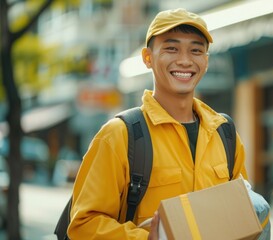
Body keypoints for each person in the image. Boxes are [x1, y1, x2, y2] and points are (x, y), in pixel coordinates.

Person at [68, 8, 254, 239]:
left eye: (196, 50)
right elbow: (83, 225)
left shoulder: (225, 134)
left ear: (205, 61)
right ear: (148, 57)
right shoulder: (120, 135)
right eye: (171, 48)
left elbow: (241, 214)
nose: (185, 60)